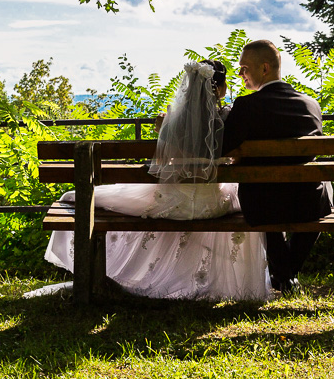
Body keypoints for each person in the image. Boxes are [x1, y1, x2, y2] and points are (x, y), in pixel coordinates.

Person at [44, 60, 273, 301]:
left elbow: (165, 168)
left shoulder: (171, 122)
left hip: (176, 203)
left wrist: (164, 131)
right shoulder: (229, 118)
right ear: (221, 89)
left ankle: (114, 273)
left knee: (77, 198)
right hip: (214, 206)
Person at [221, 40, 333, 294]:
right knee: (320, 189)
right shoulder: (311, 105)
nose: (240, 75)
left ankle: (284, 274)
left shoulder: (246, 106)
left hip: (262, 205)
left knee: (265, 194)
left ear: (264, 68)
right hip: (308, 202)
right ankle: (287, 274)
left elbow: (220, 148)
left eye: (244, 68)